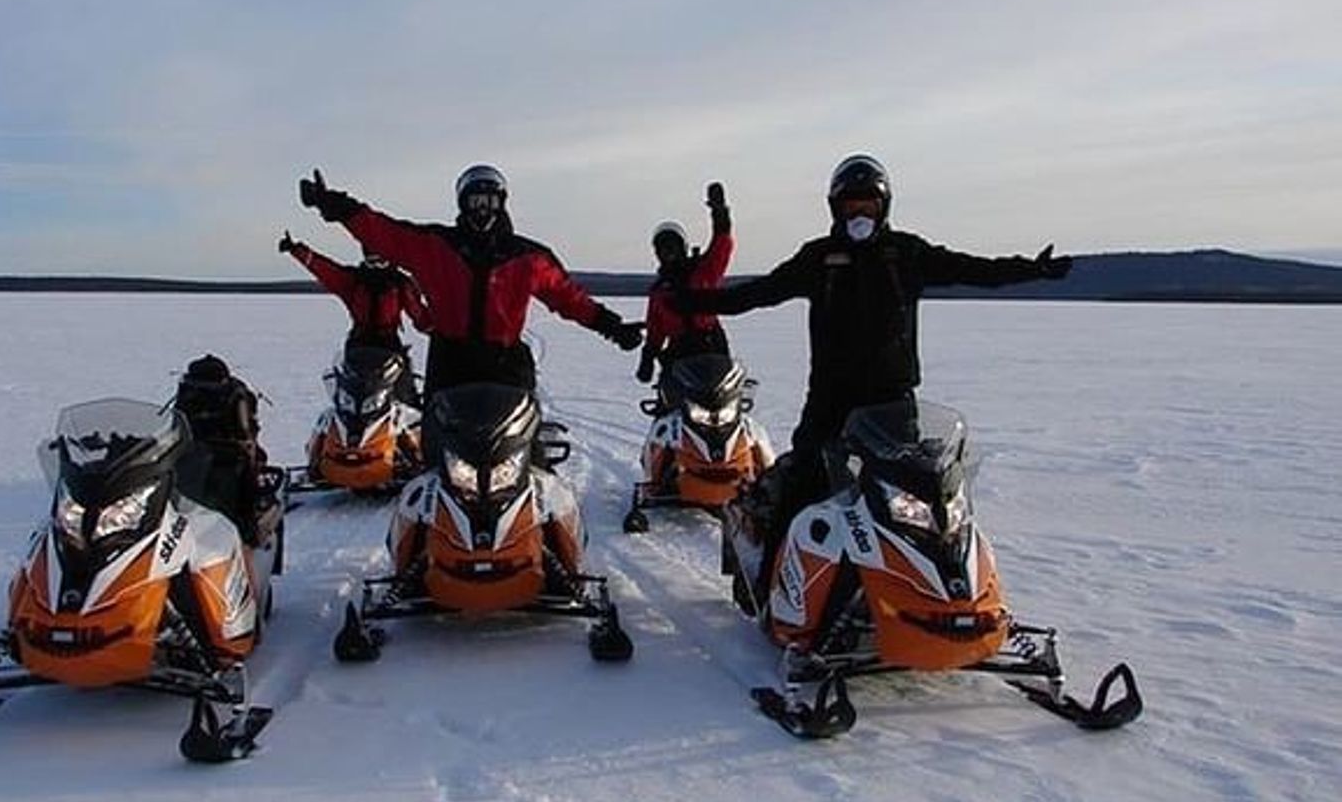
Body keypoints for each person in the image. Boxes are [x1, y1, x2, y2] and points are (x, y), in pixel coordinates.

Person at [677, 153, 1073, 565]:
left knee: (911, 504)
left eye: (868, 204)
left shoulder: (906, 254)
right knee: (803, 484)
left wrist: (1032, 269)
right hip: (831, 398)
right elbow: (757, 293)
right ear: (837, 207)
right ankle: (768, 578)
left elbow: (973, 269)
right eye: (852, 205)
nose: (860, 213)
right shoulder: (819, 258)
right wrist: (696, 301)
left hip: (893, 402)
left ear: (883, 206)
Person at [298, 164, 644, 397]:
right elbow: (384, 232)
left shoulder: (527, 257)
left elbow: (570, 299)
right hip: (451, 362)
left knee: (526, 456)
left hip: (506, 364)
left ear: (501, 203)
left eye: (489, 201)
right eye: (475, 201)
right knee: (437, 455)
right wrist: (335, 205)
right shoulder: (435, 245)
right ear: (463, 204)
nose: (482, 209)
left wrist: (612, 327)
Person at [278, 232, 431, 405]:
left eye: (381, 261)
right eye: (372, 261)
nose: (376, 266)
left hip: (389, 346)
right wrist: (297, 250)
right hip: (359, 346)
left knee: (404, 394)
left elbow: (418, 312)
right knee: (351, 394)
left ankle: (411, 417)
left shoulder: (400, 283)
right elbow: (326, 269)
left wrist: (435, 329)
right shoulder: (354, 280)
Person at [637, 180, 734, 389]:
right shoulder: (659, 292)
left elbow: (722, 246)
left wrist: (720, 213)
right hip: (679, 357)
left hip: (712, 352)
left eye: (672, 247)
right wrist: (647, 358)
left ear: (682, 247)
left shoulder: (703, 271)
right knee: (670, 406)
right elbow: (655, 330)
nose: (668, 253)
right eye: (663, 249)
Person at [173, 354, 276, 546]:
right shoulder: (194, 393)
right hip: (197, 452)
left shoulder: (235, 397)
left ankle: (245, 536)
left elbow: (245, 432)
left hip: (225, 455)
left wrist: (245, 449)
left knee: (237, 494)